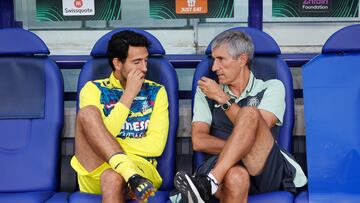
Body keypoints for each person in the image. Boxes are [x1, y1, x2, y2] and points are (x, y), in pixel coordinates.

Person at [172, 30, 307, 203]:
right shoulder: (205, 91)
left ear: (242, 60)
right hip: (223, 168)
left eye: (221, 59)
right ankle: (211, 181)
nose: (214, 67)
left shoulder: (272, 87)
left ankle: (208, 182)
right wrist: (239, 151)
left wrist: (222, 98)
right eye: (213, 59)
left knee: (250, 113)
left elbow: (258, 130)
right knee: (236, 176)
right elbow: (199, 141)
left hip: (265, 166)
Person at [71, 30, 169, 203]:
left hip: (140, 170)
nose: (144, 68)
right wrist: (129, 95)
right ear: (117, 63)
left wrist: (104, 144)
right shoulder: (93, 89)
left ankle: (129, 174)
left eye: (146, 61)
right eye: (137, 62)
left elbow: (156, 146)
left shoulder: (157, 91)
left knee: (112, 176)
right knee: (87, 114)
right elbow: (97, 134)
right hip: (94, 168)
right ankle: (129, 173)